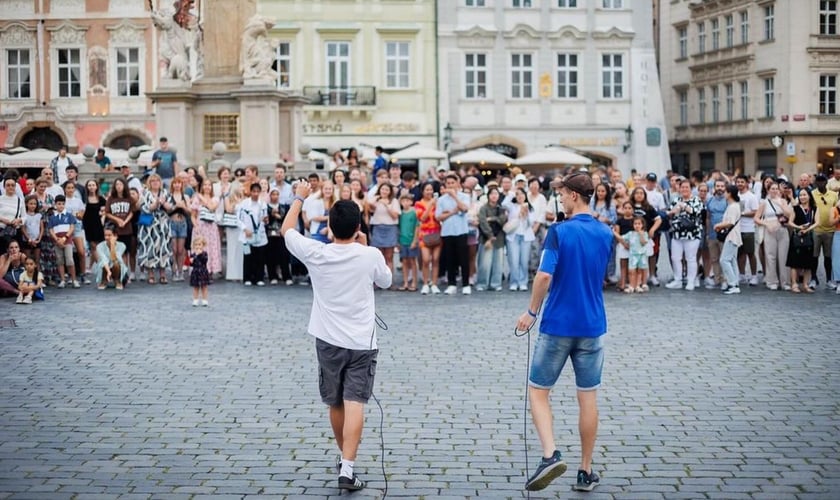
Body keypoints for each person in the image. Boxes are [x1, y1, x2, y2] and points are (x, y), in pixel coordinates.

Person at [280, 180, 391, 492]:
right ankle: (348, 466)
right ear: (358, 227)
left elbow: (287, 230)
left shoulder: (317, 252)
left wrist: (300, 197)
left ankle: (344, 456)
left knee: (336, 401)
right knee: (355, 400)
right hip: (362, 342)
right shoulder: (370, 255)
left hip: (327, 340)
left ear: (329, 225)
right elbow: (386, 281)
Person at [516, 171, 612, 493]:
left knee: (538, 391)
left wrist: (531, 311)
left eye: (562, 193)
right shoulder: (605, 232)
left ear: (573, 195)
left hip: (558, 323)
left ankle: (550, 455)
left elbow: (544, 276)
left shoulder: (558, 232)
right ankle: (586, 470)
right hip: (593, 323)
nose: (560, 198)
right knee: (588, 397)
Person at [665, 179, 704, 291]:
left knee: (690, 258)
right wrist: (673, 211)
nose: (684, 189)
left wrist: (684, 206)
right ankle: (678, 280)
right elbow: (668, 213)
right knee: (675, 257)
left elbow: (696, 212)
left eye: (687, 187)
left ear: (691, 189)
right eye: (682, 187)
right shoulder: (676, 199)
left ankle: (691, 280)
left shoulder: (696, 200)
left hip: (692, 234)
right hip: (677, 233)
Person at [436, 173, 472, 295]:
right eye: (448, 183)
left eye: (453, 183)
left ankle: (466, 284)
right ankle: (451, 284)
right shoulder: (441, 200)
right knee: (449, 259)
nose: (450, 185)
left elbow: (465, 209)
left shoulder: (464, 196)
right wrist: (452, 212)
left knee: (464, 258)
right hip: (447, 232)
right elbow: (439, 217)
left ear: (457, 184)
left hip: (461, 231)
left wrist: (455, 198)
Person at [754, 182, 793, 291]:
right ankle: (772, 281)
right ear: (768, 190)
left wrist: (780, 204)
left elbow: (789, 215)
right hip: (770, 230)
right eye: (772, 188)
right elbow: (756, 218)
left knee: (783, 256)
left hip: (782, 229)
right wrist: (766, 224)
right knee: (770, 256)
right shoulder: (764, 203)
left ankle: (785, 282)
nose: (774, 190)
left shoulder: (783, 201)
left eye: (776, 189)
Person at [138, 174, 174, 284]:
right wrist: (156, 203)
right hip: (149, 226)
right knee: (150, 248)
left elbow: (170, 208)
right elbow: (145, 208)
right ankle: (151, 274)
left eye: (157, 181)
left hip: (163, 224)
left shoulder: (166, 193)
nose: (155, 183)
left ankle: (163, 274)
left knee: (163, 247)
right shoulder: (145, 193)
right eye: (152, 181)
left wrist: (164, 203)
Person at [504, 187, 537, 292]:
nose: (520, 196)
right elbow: (503, 203)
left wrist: (525, 214)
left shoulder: (530, 207)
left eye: (522, 194)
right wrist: (511, 192)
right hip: (513, 236)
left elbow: (531, 223)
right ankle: (514, 282)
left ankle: (523, 282)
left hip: (525, 237)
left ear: (525, 195)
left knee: (523, 260)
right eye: (517, 194)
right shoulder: (512, 206)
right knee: (514, 260)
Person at [237, 182, 269, 286]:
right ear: (250, 192)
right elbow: (238, 219)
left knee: (259, 256)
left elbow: (265, 219)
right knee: (248, 257)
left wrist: (265, 220)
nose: (255, 194)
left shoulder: (263, 204)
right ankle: (247, 278)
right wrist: (244, 229)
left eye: (257, 191)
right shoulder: (244, 204)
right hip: (247, 234)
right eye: (253, 191)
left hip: (259, 234)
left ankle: (259, 277)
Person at [476, 186, 507, 292]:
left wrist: (492, 219)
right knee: (485, 263)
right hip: (486, 239)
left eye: (496, 194)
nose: (494, 196)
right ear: (488, 196)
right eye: (492, 194)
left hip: (499, 238)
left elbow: (503, 220)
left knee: (498, 263)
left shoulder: (501, 209)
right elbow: (483, 222)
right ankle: (482, 283)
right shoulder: (483, 208)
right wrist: (490, 235)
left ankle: (496, 283)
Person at [786, 189, 817, 293]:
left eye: (804, 195)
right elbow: (790, 222)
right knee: (794, 262)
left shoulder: (814, 209)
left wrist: (807, 229)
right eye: (800, 195)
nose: (802, 197)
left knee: (808, 263)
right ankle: (794, 283)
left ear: (809, 196)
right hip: (797, 237)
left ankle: (805, 284)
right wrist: (799, 227)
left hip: (808, 237)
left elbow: (817, 222)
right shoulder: (796, 208)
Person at [190, 179, 222, 278]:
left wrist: (201, 198)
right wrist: (196, 226)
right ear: (202, 186)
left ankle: (210, 271)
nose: (207, 187)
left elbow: (212, 208)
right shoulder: (196, 199)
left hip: (211, 227)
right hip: (201, 226)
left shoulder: (215, 198)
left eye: (209, 185)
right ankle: (200, 271)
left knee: (211, 249)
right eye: (205, 185)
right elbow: (193, 215)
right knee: (200, 248)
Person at [715, 185, 743, 295]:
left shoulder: (733, 207)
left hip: (732, 236)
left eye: (726, 192)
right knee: (732, 260)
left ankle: (732, 283)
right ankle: (735, 283)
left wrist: (719, 225)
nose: (724, 194)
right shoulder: (733, 206)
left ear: (730, 193)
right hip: (733, 236)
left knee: (724, 260)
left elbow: (730, 222)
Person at [811, 173, 838, 289]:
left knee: (828, 257)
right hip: (816, 230)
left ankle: (828, 279)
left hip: (830, 230)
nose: (820, 183)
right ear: (816, 182)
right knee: (814, 256)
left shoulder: (833, 195)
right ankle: (813, 278)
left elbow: (837, 209)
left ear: (827, 182)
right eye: (818, 181)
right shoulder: (812, 194)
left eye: (823, 181)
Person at [48, 195, 80, 289]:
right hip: (57, 242)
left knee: (69, 260)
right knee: (59, 260)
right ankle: (62, 280)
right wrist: (57, 239)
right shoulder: (53, 217)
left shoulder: (69, 215)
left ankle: (74, 279)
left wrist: (65, 237)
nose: (61, 206)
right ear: (55, 205)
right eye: (59, 204)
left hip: (67, 240)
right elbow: (50, 230)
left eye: (62, 204)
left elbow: (72, 227)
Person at [415, 182, 442, 295]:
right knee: (426, 260)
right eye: (427, 190)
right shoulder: (418, 203)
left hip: (437, 233)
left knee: (435, 260)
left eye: (431, 190)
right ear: (422, 191)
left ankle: (434, 283)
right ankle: (426, 283)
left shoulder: (439, 203)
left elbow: (439, 216)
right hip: (424, 235)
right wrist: (431, 204)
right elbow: (422, 218)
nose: (429, 192)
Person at [735, 174, 760, 286]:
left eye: (742, 182)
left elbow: (756, 211)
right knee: (740, 254)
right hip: (737, 229)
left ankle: (754, 276)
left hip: (748, 228)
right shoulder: (735, 195)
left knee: (750, 253)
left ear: (746, 183)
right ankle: (741, 274)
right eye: (738, 182)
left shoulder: (751, 196)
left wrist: (742, 213)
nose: (740, 184)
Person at [705, 180, 728, 289]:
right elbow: (708, 217)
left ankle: (725, 280)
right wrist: (708, 232)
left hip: (725, 234)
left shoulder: (728, 200)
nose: (720, 188)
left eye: (722, 186)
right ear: (714, 187)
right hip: (712, 234)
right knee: (714, 258)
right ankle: (717, 279)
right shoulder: (709, 201)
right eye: (718, 186)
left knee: (724, 258)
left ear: (725, 187)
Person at [93, 225, 127, 290]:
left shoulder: (122, 245)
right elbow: (104, 260)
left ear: (115, 236)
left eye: (109, 235)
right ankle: (104, 280)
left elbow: (116, 258)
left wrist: (112, 246)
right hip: (104, 266)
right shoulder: (99, 246)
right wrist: (108, 271)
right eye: (105, 235)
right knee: (103, 264)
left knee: (116, 263)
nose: (107, 237)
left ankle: (117, 281)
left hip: (116, 265)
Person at [397, 193, 419, 291]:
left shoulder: (414, 213)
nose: (405, 203)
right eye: (403, 201)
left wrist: (415, 240)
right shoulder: (400, 214)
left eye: (407, 201)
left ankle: (414, 281)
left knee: (413, 261)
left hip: (411, 240)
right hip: (402, 240)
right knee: (404, 261)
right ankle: (405, 282)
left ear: (411, 202)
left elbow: (417, 227)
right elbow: (398, 228)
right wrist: (398, 241)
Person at [622, 217, 649, 293]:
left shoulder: (645, 233)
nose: (637, 225)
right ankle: (631, 285)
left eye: (639, 224)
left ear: (642, 225)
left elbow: (643, 243)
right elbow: (622, 238)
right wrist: (625, 244)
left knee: (639, 271)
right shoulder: (630, 234)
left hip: (641, 255)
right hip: (633, 255)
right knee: (631, 271)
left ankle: (637, 285)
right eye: (635, 224)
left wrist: (641, 235)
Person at [189, 235, 210, 306]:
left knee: (204, 287)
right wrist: (191, 261)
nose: (198, 246)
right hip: (195, 272)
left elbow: (205, 261)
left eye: (199, 244)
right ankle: (195, 299)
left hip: (203, 272)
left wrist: (199, 255)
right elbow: (190, 264)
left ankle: (205, 299)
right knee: (196, 287)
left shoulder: (204, 254)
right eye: (196, 245)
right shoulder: (192, 254)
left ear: (203, 245)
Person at [21, 195, 43, 264]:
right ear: (26, 204)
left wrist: (39, 239)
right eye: (31, 204)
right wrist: (29, 239)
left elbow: (42, 228)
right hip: (27, 240)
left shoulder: (38, 215)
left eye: (35, 204)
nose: (33, 206)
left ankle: (38, 274)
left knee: (37, 260)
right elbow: (23, 228)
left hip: (37, 240)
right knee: (27, 259)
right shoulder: (24, 216)